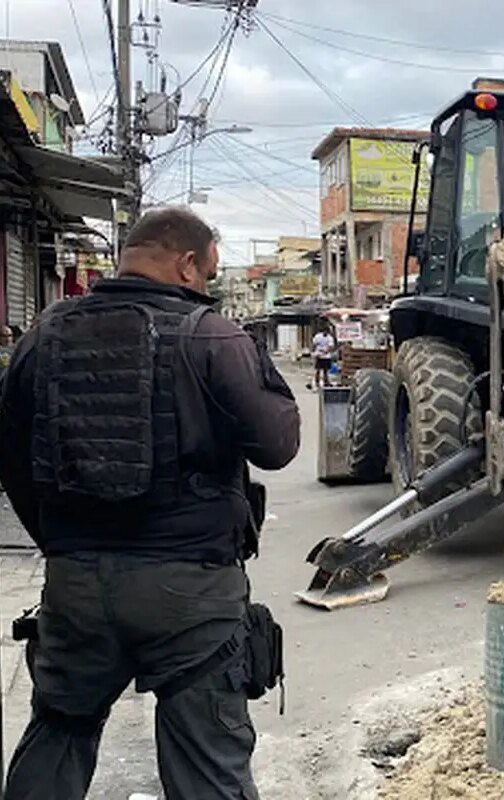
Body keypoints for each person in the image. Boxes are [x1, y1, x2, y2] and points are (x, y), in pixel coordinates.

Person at [0, 207, 301, 799]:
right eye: (210, 274)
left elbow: (10, 457)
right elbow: (278, 445)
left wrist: (63, 544)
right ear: (187, 264)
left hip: (77, 585)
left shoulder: (44, 334)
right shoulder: (211, 335)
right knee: (207, 764)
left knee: (58, 734)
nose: (209, 286)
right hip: (190, 594)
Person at [311, 325, 335, 389]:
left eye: (327, 332)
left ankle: (326, 382)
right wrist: (313, 352)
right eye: (325, 332)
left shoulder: (330, 338)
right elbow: (314, 345)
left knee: (326, 371)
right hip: (318, 355)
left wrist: (325, 351)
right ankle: (317, 382)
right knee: (318, 370)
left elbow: (330, 347)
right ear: (323, 331)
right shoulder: (318, 336)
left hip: (326, 356)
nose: (326, 333)